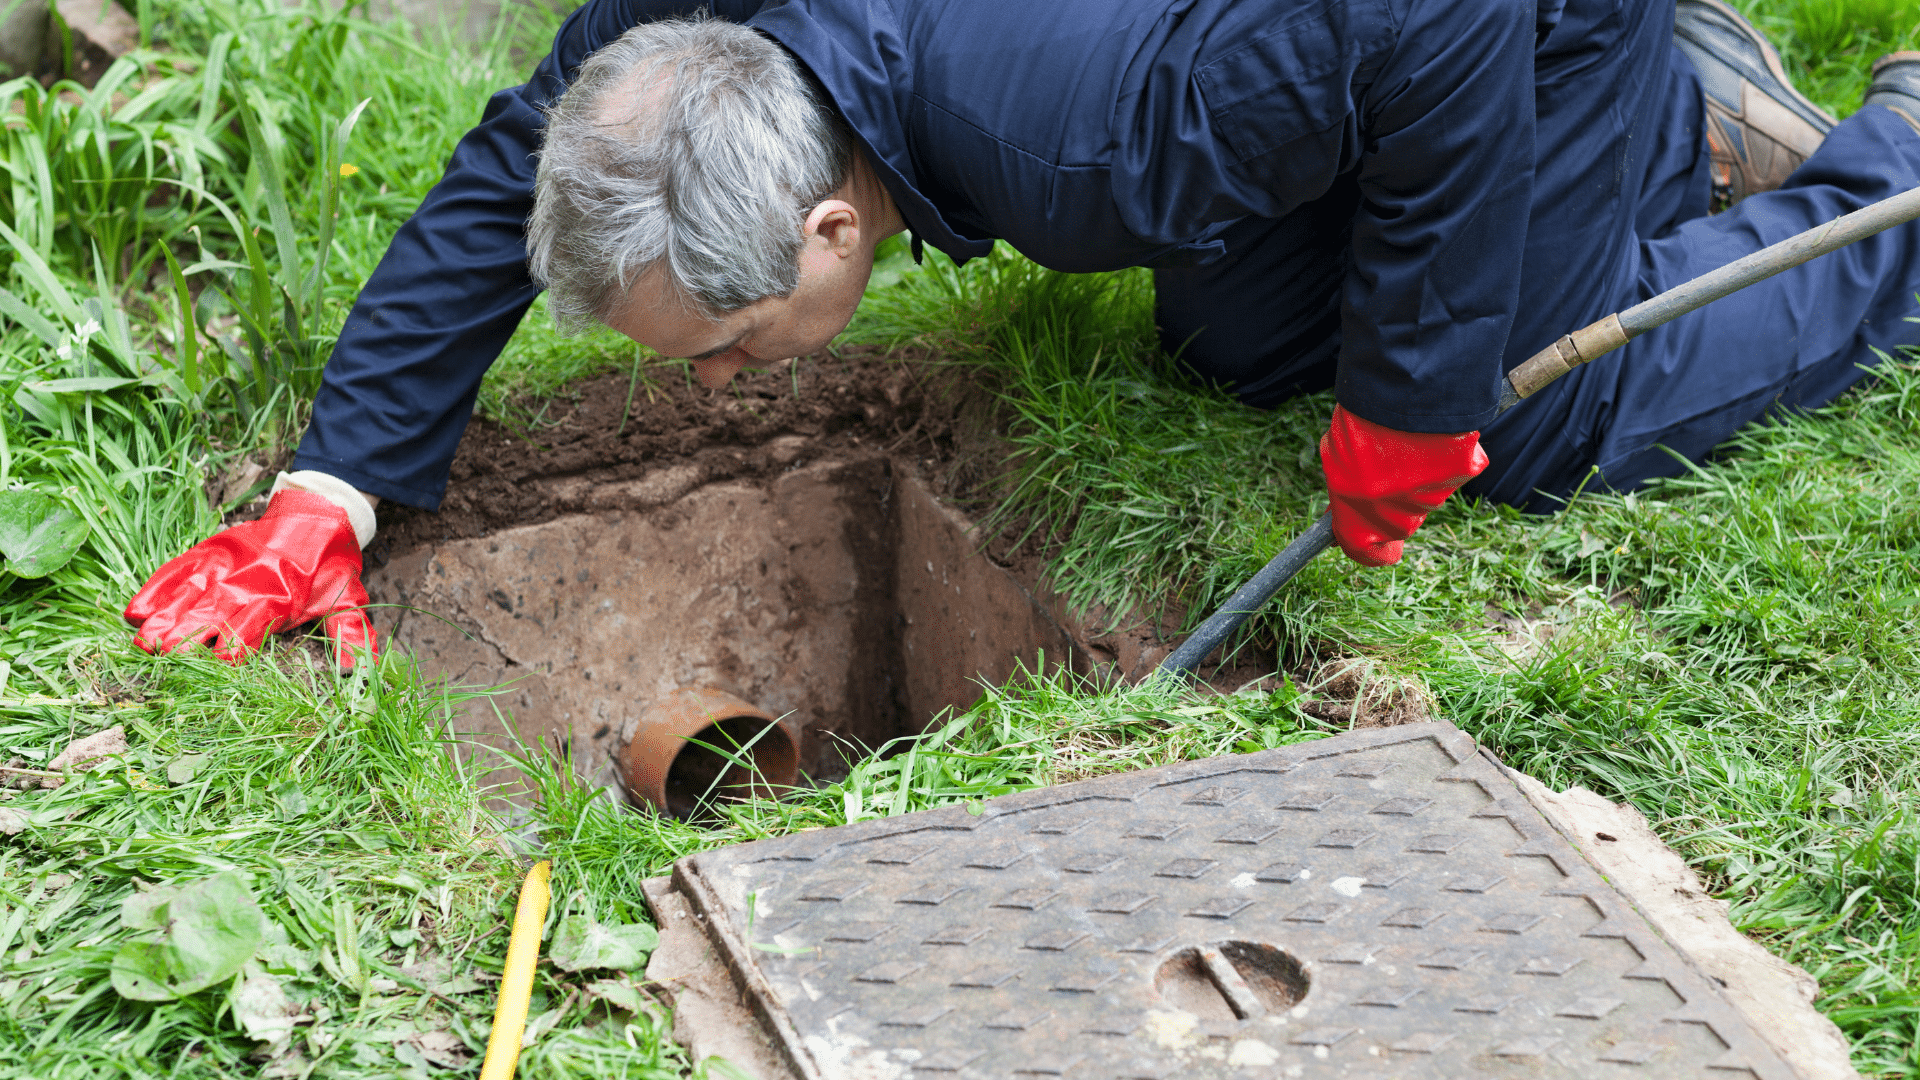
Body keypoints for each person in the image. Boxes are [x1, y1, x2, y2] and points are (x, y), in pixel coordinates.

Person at [123, 0, 1920, 670]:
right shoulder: (694, 38)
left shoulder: (1097, 142)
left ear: (834, 225)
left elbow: (1428, 23)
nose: (723, 386)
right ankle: (1645, 129)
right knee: (1236, 330)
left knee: (1515, 424)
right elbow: (538, 145)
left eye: (729, 347)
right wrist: (338, 482)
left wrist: (1418, 395)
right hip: (1326, 37)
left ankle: (1862, 162)